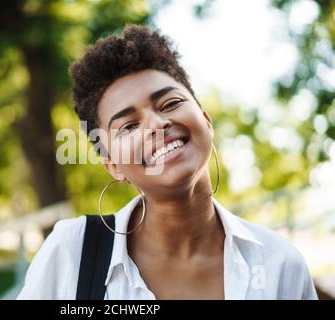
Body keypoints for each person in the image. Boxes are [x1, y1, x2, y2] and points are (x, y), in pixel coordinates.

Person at [17, 24, 317, 300]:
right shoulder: (72, 251)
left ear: (206, 120)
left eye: (170, 103)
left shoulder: (281, 266)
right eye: (129, 126)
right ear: (113, 166)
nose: (156, 125)